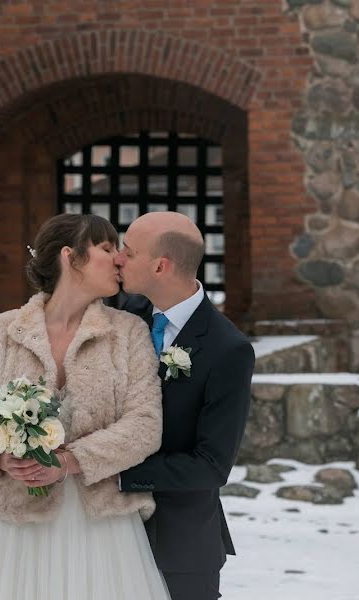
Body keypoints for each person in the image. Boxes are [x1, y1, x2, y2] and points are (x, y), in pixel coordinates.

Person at [0, 213, 170, 600]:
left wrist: (69, 462)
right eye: (106, 248)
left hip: (105, 527)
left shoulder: (128, 333)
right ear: (71, 257)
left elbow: (145, 424)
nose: (119, 258)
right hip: (22, 527)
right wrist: (3, 459)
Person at [114, 211, 255, 600]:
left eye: (128, 250)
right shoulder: (124, 319)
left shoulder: (229, 350)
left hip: (182, 549)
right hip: (109, 537)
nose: (118, 258)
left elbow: (211, 465)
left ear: (160, 265)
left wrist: (114, 473)